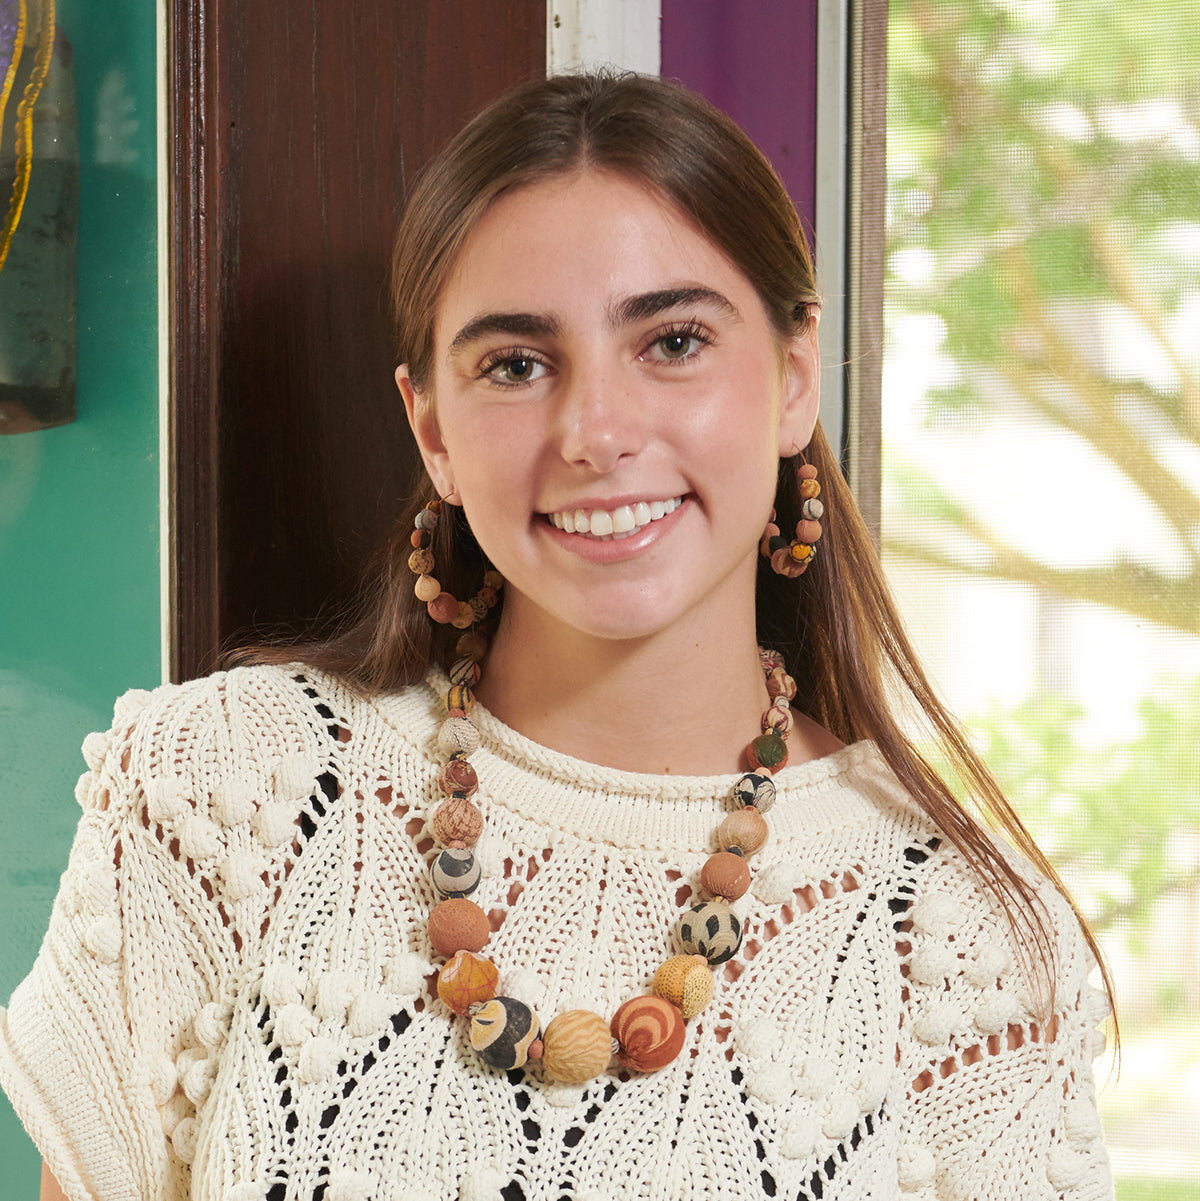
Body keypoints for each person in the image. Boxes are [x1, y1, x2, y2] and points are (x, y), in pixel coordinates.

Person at [1, 72, 1114, 1201]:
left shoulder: (973, 944)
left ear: (792, 377)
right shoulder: (226, 791)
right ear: (431, 428)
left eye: (672, 341)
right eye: (517, 365)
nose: (596, 432)